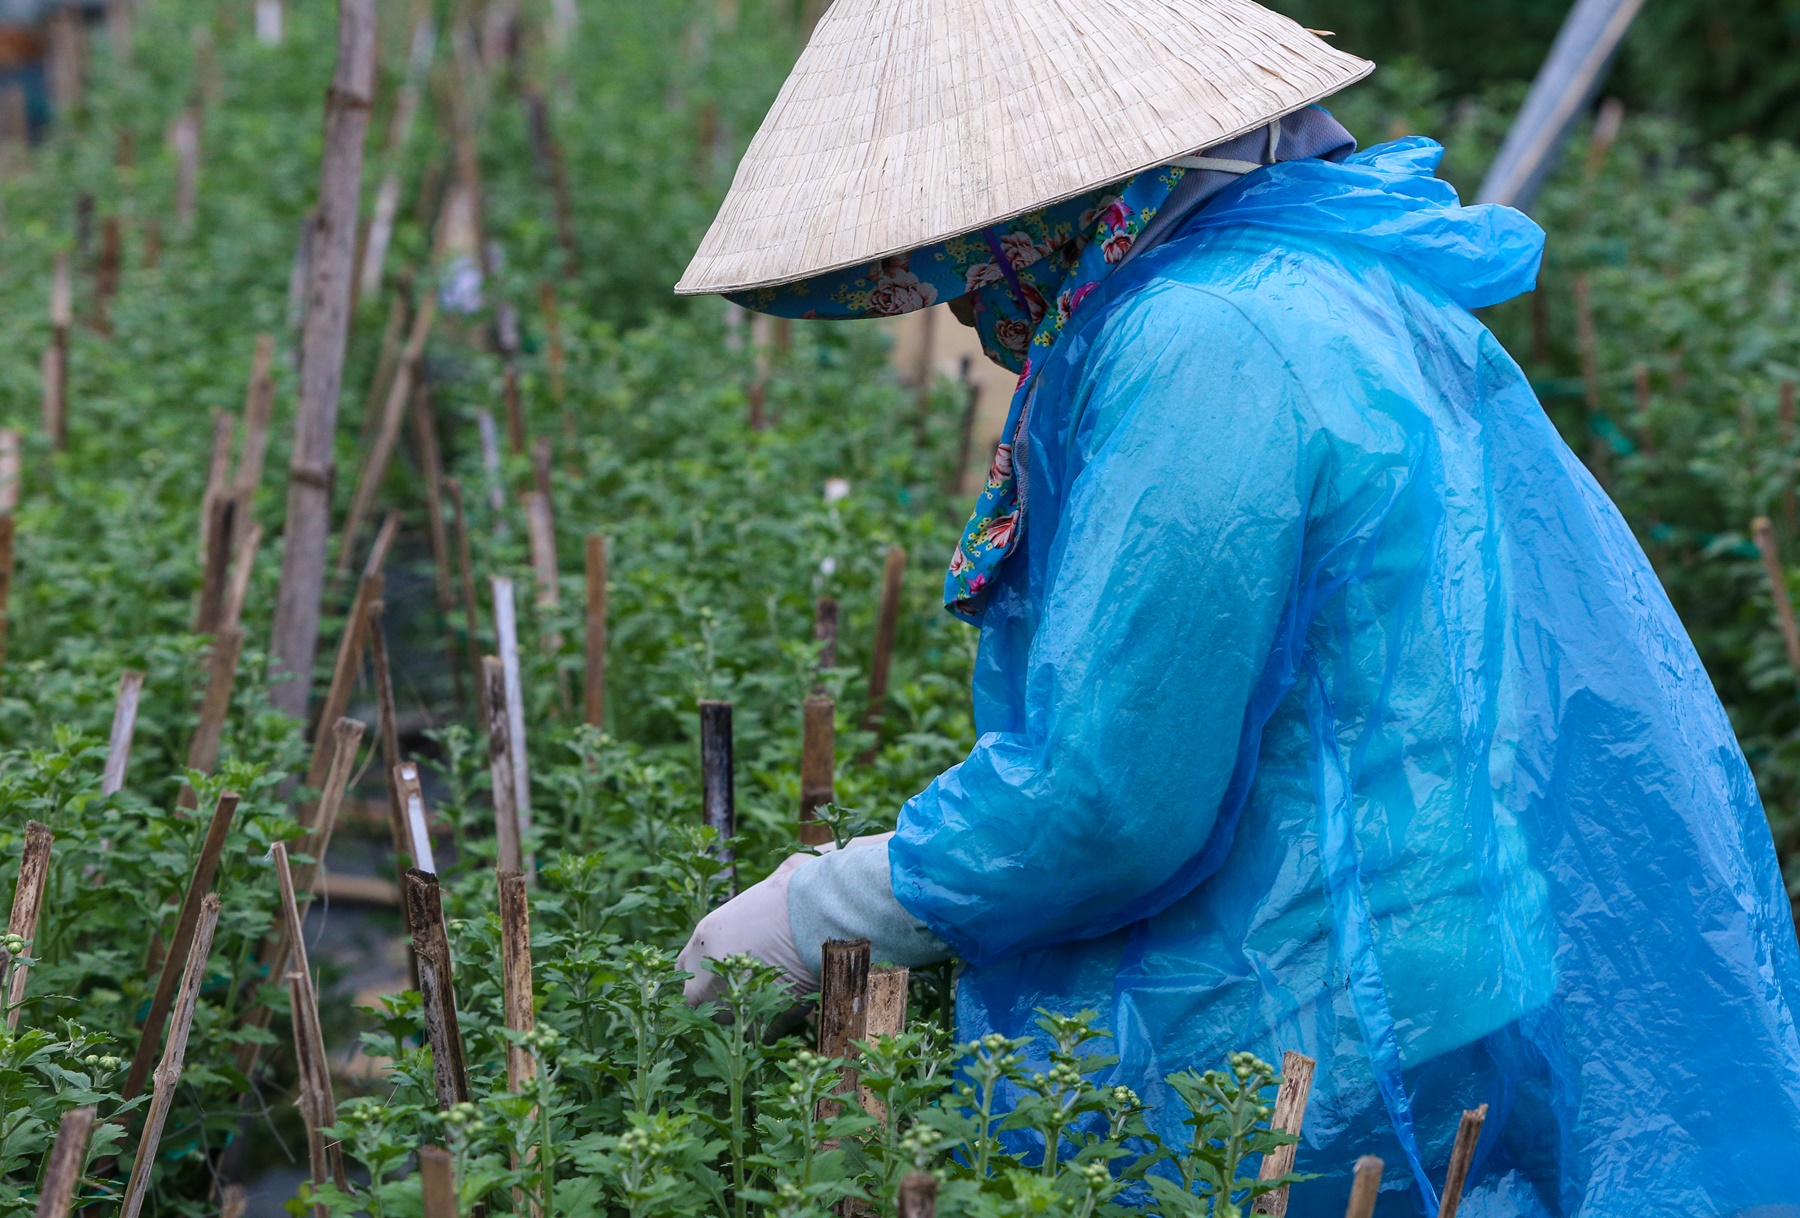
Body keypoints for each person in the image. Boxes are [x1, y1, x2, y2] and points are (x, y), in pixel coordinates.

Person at [674, 2, 1800, 1213]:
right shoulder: (1323, 278)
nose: (953, 301)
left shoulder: (1203, 340)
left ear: (1066, 198)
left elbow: (1109, 801)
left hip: (1315, 1019)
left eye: (969, 244)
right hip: (1429, 941)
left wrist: (822, 906)